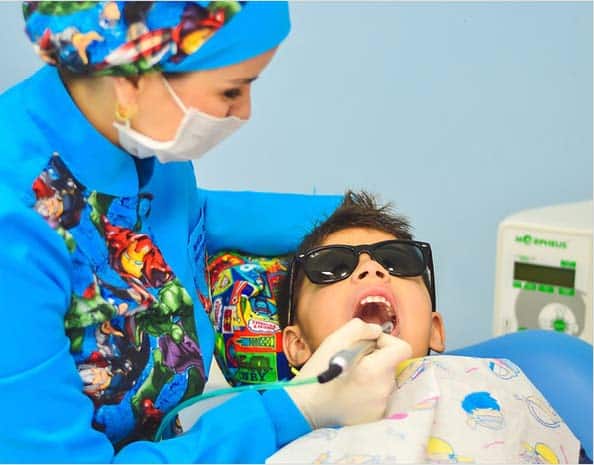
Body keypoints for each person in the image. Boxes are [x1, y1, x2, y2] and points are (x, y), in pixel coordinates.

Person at [0, 3, 406, 463]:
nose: (244, 112)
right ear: (132, 77)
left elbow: (166, 218)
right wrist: (296, 411)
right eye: (233, 90)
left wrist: (353, 224)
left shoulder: (132, 138)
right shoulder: (15, 230)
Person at [269, 191, 580, 463]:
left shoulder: (499, 381)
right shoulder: (274, 436)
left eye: (397, 262)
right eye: (333, 267)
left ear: (436, 330)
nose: (372, 269)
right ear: (298, 346)